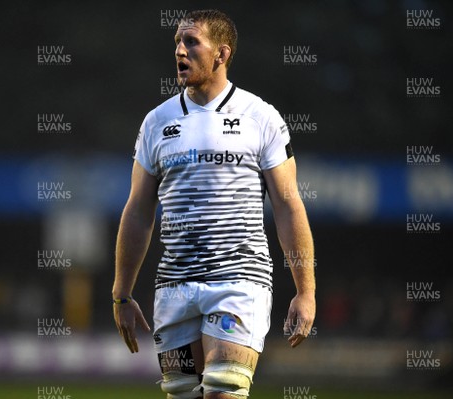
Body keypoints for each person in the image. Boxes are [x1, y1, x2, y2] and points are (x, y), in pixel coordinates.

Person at [112, 9, 315, 399]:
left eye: (191, 42)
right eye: (176, 42)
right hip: (174, 287)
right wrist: (122, 293)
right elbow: (138, 210)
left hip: (239, 282)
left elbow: (289, 205)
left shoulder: (261, 117)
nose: (179, 51)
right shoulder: (157, 122)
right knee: (184, 393)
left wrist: (305, 290)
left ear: (221, 54)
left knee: (223, 390)